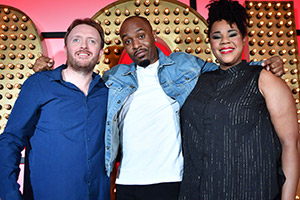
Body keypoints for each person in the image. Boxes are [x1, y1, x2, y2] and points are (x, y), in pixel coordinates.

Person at [33, 16, 284, 200]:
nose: (136, 44)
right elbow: (81, 81)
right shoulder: (115, 76)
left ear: (153, 36)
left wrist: (264, 65)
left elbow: (225, 71)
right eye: (128, 40)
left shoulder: (183, 65)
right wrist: (48, 71)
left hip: (172, 181)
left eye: (141, 36)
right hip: (127, 183)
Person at [179, 0, 300, 199]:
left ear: (244, 38)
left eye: (232, 34)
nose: (225, 41)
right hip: (196, 192)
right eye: (217, 36)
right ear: (210, 42)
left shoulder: (264, 79)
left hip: (250, 191)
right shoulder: (198, 80)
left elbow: (291, 144)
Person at [0, 18, 110, 200]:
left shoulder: (108, 92)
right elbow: (11, 140)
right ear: (66, 48)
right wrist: (10, 193)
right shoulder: (39, 85)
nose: (84, 46)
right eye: (76, 40)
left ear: (100, 53)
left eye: (92, 41)